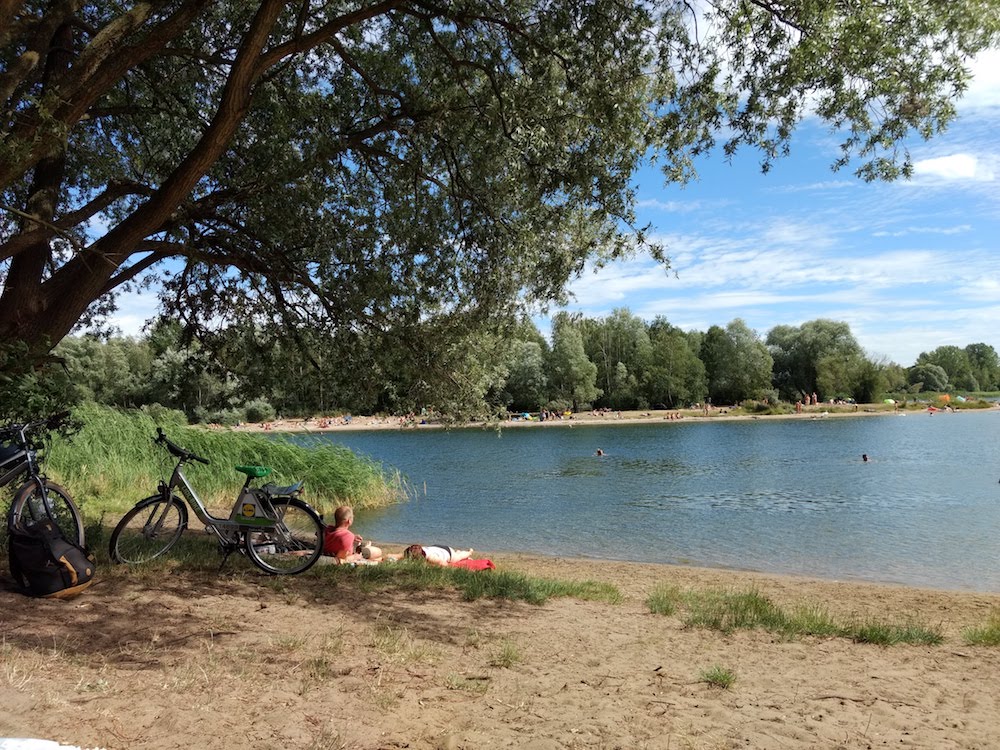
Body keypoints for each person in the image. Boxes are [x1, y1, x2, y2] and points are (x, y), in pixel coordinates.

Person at [401, 543, 474, 567]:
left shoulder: (432, 558)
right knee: (457, 554)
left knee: (458, 557)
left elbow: (445, 564)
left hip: (447, 552)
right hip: (435, 548)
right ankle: (457, 552)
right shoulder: (410, 552)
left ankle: (469, 552)